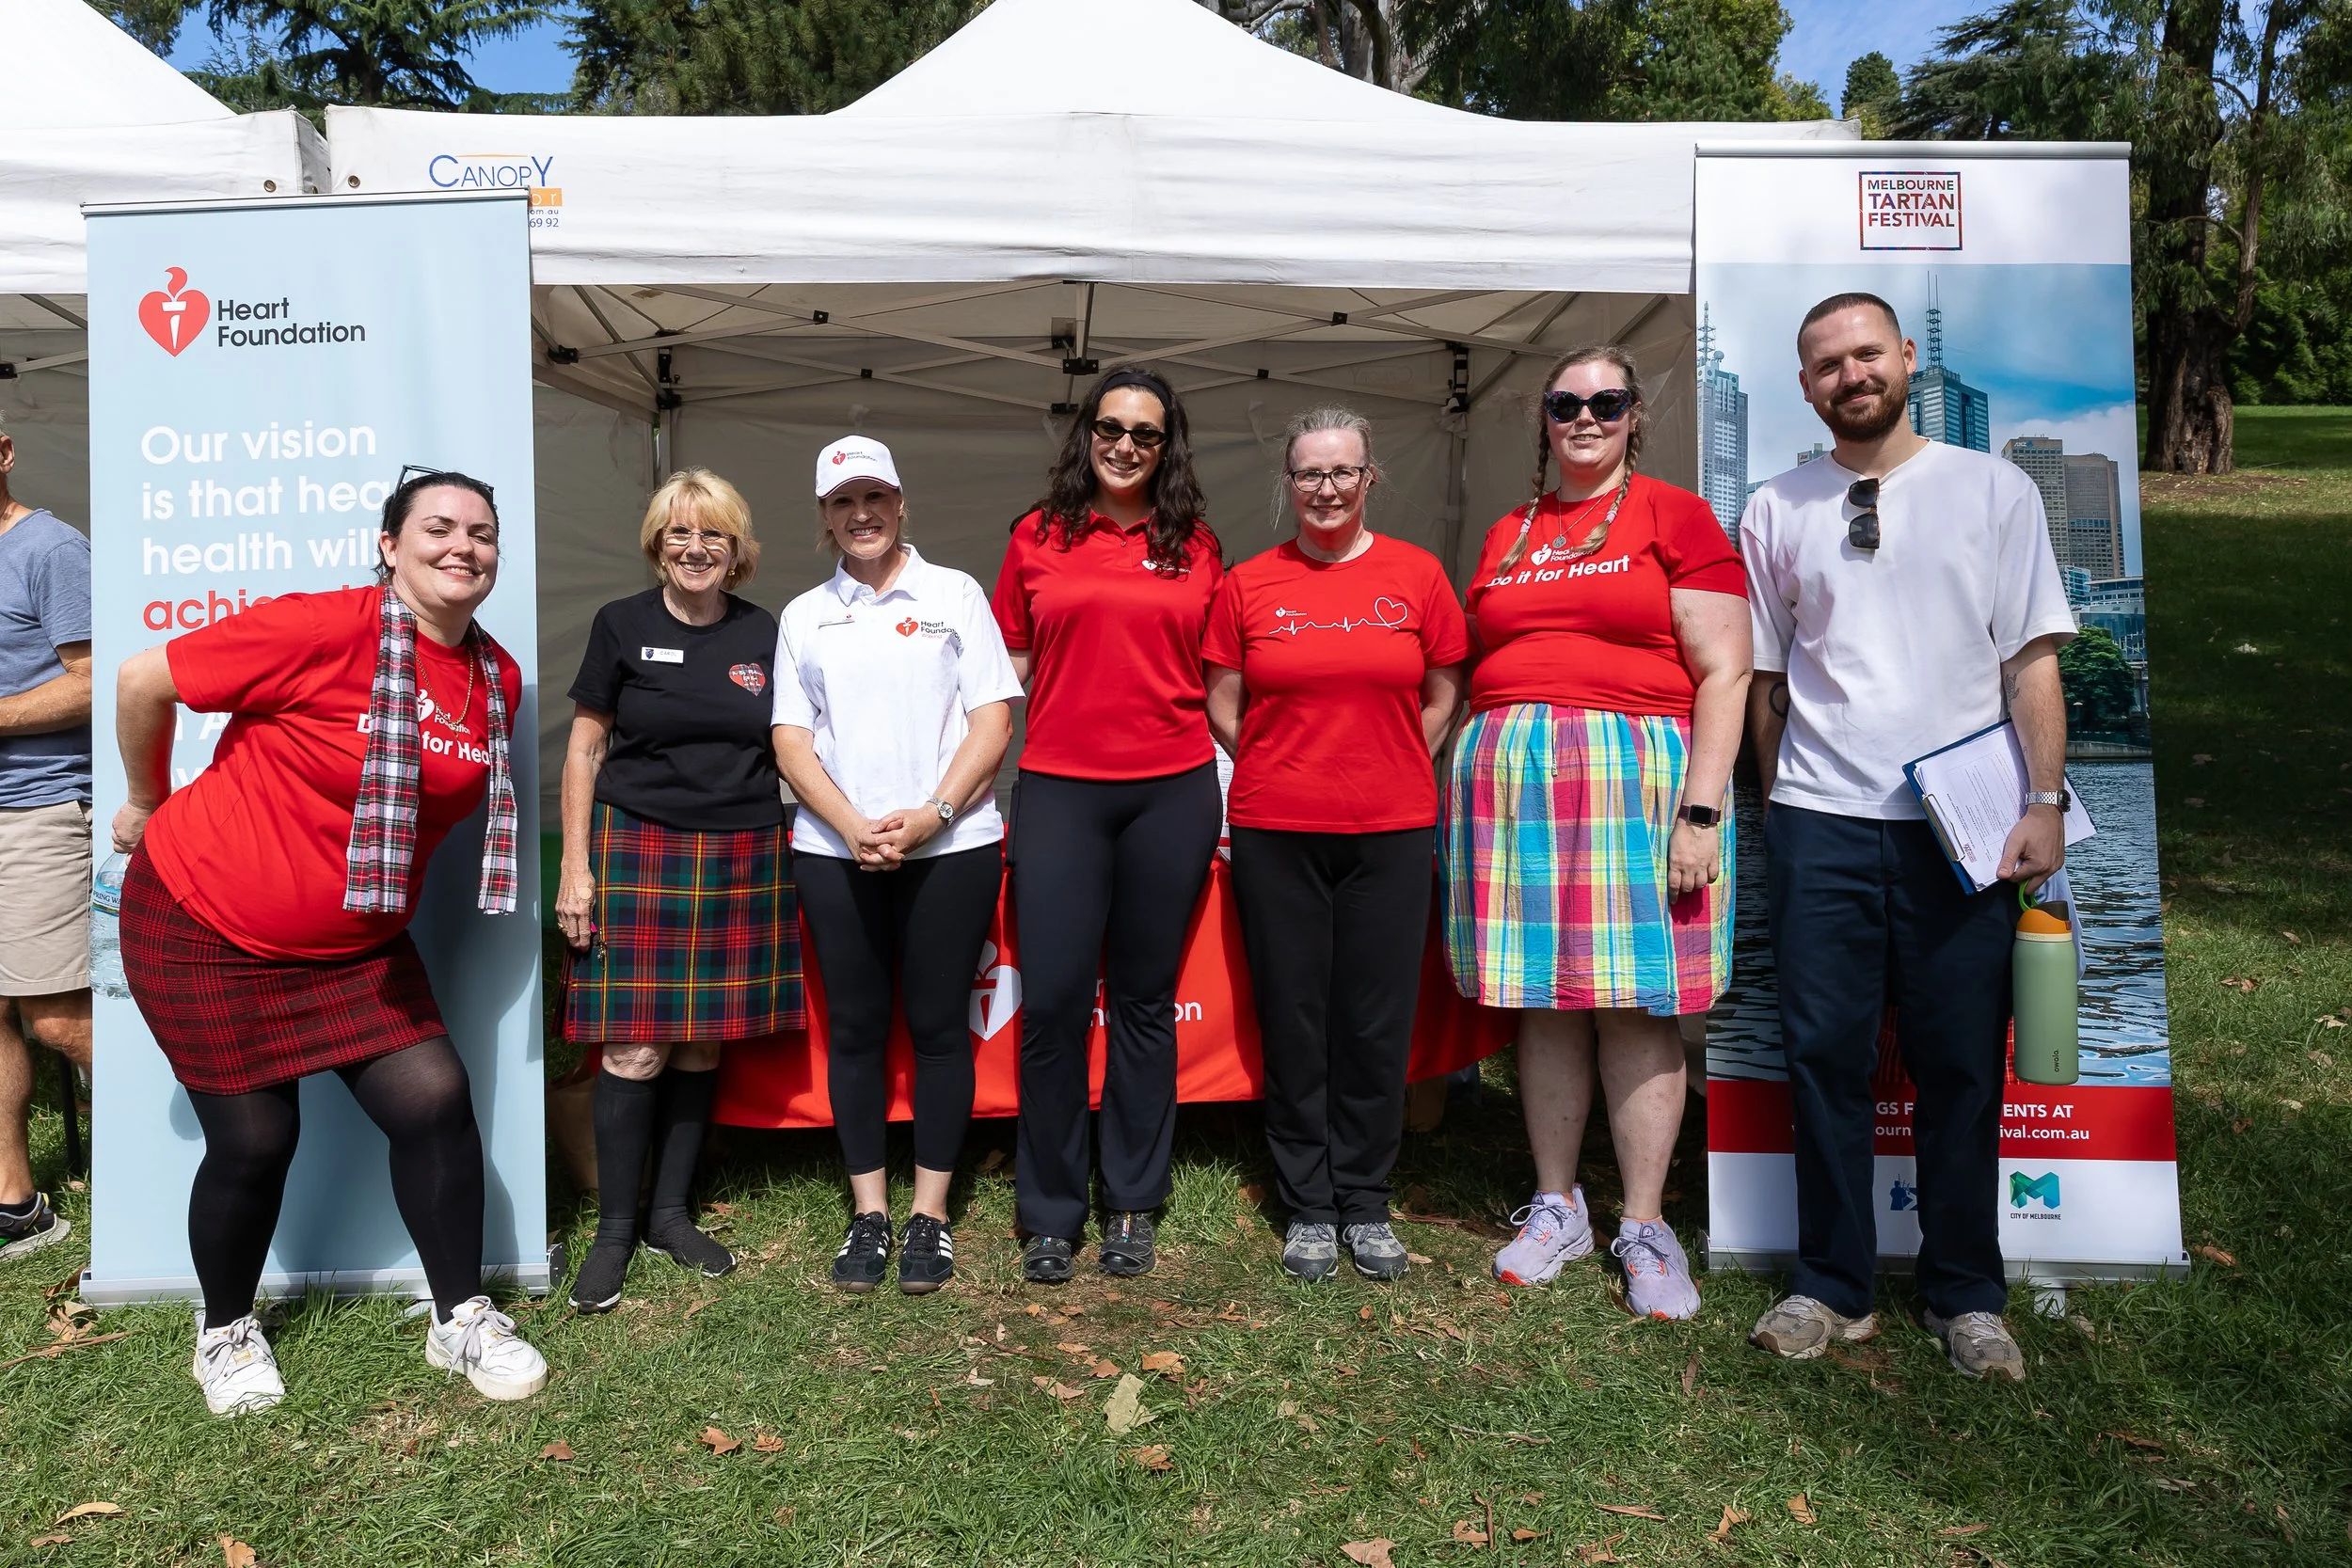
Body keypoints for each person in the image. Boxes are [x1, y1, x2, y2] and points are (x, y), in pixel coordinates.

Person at [113, 470, 547, 1417]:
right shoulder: (323, 627)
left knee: (434, 1095)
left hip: (352, 940)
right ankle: (223, 1331)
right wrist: (146, 800)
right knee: (258, 1136)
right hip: (201, 916)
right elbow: (144, 678)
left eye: (482, 532)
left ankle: (458, 1315)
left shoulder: (494, 676)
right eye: (438, 527)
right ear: (390, 544)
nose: (462, 546)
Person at [1742, 293, 2074, 1382]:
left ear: (1907, 358)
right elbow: (1766, 680)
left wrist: (2044, 801)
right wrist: (1769, 813)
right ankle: (1829, 1283)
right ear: (1806, 386)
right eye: (1827, 363)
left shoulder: (1994, 489)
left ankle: (1965, 1293)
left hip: (1960, 830)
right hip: (1819, 825)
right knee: (1822, 1058)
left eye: (1866, 353)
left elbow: (2029, 659)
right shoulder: (1774, 506)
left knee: (1961, 1065)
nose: (1851, 374)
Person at [1446, 346, 1751, 1320]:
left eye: (1605, 401)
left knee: (1634, 999)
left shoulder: (1676, 515)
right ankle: (1557, 1203)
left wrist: (1701, 810)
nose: (1584, 416)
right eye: (1565, 402)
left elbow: (1726, 670)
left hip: (1635, 777)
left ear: (1632, 417)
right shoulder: (1509, 528)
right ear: (1543, 417)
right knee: (1543, 999)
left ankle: (1646, 1221)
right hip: (1510, 786)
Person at [1205, 408, 1467, 1283]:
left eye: (1341, 472)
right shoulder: (1249, 582)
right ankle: (1308, 1203)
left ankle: (1364, 1195)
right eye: (1309, 473)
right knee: (1296, 1012)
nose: (1325, 488)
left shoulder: (1416, 574)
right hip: (1279, 826)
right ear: (1289, 482)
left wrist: (1393, 759)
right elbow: (1223, 701)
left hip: (1391, 828)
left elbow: (1442, 687)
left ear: (1370, 479)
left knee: (1374, 1017)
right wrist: (1286, 765)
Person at [991, 368, 1224, 1283]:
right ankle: (1050, 1209)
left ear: (1168, 448)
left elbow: (1221, 679)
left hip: (1171, 792)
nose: (1125, 445)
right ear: (1086, 431)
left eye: (1146, 433)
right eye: (1111, 426)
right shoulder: (1036, 536)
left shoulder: (1197, 545)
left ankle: (1131, 1199)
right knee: (1049, 1003)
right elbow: (1002, 667)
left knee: (1140, 1002)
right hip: (1059, 792)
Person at [773, 437, 1020, 1294]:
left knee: (941, 1025)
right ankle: (869, 1214)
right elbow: (790, 738)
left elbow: (992, 718)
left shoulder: (955, 593)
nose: (862, 513)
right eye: (843, 501)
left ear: (902, 501)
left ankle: (932, 1216)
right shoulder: (804, 613)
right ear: (823, 516)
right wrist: (851, 826)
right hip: (834, 851)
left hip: (952, 845)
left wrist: (932, 815)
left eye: (875, 495)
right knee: (856, 1027)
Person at [556, 469, 803, 1312]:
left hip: (742, 850)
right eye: (679, 534)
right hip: (638, 847)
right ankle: (615, 1232)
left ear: (737, 552)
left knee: (702, 1042)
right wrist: (576, 866)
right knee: (634, 1047)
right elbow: (584, 750)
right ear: (658, 542)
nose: (696, 550)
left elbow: (796, 742)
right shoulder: (619, 624)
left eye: (714, 536)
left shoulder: (765, 631)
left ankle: (671, 1215)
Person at [0, 420, 93, 1262]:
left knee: (60, 1019)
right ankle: (16, 1205)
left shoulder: (50, 547)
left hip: (35, 810)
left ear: (2, 452)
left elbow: (97, 683)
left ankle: (173, 1170)